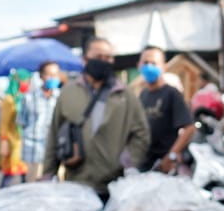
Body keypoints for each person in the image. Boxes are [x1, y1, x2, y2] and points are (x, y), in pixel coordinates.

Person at [44, 37, 149, 200]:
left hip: (113, 187)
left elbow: (142, 133)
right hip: (76, 183)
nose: (105, 62)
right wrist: (47, 174)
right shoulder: (68, 93)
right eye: (99, 57)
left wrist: (127, 163)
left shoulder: (125, 95)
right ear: (85, 59)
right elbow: (54, 133)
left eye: (108, 58)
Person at [137, 45, 195, 173]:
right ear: (139, 66)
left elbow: (189, 128)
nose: (149, 66)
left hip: (165, 166)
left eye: (154, 63)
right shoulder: (143, 95)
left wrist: (171, 156)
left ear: (163, 67)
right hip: (146, 165)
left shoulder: (171, 94)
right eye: (145, 62)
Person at [19, 60, 62, 179]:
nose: (53, 78)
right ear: (41, 76)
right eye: (49, 74)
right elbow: (22, 123)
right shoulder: (28, 98)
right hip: (32, 153)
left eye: (56, 74)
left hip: (54, 154)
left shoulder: (61, 98)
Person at [0, 69, 30, 187]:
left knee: (25, 175)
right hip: (12, 141)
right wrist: (4, 141)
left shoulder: (24, 98)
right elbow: (3, 123)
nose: (27, 83)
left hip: (23, 142)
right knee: (10, 174)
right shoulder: (9, 100)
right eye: (25, 81)